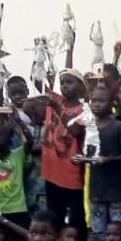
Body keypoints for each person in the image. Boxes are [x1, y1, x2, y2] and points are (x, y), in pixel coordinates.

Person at [39, 70, 87, 226]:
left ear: (80, 86)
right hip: (52, 173)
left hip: (72, 175)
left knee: (76, 220)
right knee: (54, 219)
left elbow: (76, 130)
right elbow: (38, 81)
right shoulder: (56, 101)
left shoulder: (84, 109)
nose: (65, 86)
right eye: (62, 83)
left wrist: (56, 107)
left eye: (69, 82)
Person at [85, 83, 121, 236]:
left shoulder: (118, 126)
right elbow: (89, 154)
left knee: (117, 231)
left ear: (111, 104)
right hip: (96, 189)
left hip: (116, 189)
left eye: (101, 101)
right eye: (94, 100)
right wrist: (82, 159)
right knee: (98, 232)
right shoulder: (90, 127)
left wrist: (108, 159)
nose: (96, 104)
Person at [0, 114, 34, 230]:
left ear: (9, 142)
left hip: (17, 208)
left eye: (1, 149)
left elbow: (30, 140)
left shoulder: (18, 154)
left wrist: (18, 119)